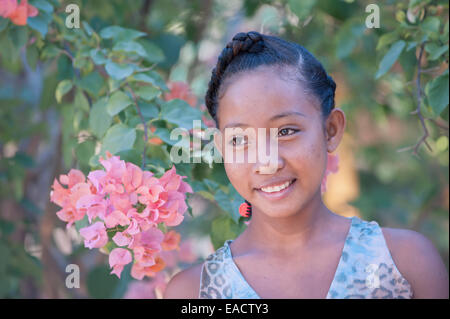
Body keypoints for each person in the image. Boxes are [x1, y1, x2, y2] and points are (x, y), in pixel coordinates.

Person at [163, 31, 449, 299]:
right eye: (240, 139)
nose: (268, 162)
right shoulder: (195, 292)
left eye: (286, 131)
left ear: (331, 130)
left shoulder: (405, 263)